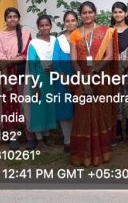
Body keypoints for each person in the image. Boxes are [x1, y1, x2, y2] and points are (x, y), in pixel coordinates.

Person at [69, 1, 118, 166]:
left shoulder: (106, 32)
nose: (87, 15)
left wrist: (92, 74)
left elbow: (109, 56)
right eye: (84, 13)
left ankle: (101, 152)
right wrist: (83, 79)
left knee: (100, 113)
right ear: (80, 15)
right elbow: (73, 60)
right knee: (83, 115)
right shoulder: (75, 34)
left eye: (90, 12)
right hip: (81, 78)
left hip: (101, 77)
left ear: (95, 13)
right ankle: (83, 154)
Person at [0, 7, 34, 150]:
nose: (12, 19)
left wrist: (10, 61)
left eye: (15, 16)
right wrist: (5, 81)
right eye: (9, 17)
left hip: (23, 72)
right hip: (6, 75)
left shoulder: (25, 33)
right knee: (10, 107)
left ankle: (30, 136)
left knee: (25, 105)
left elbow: (27, 55)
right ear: (5, 19)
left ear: (19, 18)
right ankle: (13, 137)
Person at [110, 1, 128, 147]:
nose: (118, 14)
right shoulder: (108, 31)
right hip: (111, 72)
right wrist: (116, 70)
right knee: (115, 102)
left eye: (120, 12)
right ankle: (117, 135)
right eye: (115, 12)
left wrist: (123, 68)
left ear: (126, 14)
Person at [27, 15, 57, 147]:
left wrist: (55, 69)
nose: (44, 27)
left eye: (47, 25)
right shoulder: (34, 44)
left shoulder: (56, 41)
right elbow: (31, 65)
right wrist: (35, 85)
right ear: (38, 28)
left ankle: (47, 136)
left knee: (49, 107)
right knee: (39, 107)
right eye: (41, 25)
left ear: (51, 26)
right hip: (39, 79)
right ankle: (39, 139)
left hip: (53, 79)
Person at [52, 11, 77, 153]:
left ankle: (79, 139)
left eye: (73, 20)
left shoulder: (81, 37)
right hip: (62, 80)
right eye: (67, 21)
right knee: (65, 111)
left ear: (77, 22)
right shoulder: (59, 40)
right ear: (64, 23)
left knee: (79, 111)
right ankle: (67, 141)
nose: (70, 23)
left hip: (79, 78)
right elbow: (55, 62)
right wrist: (65, 78)